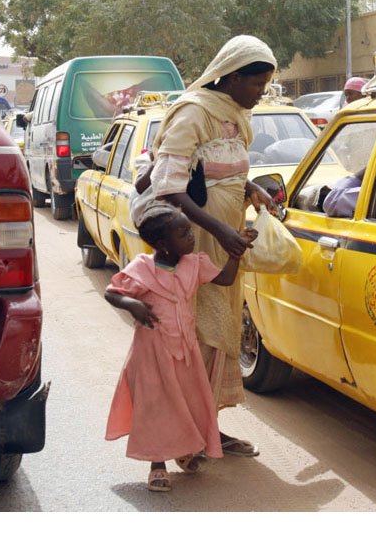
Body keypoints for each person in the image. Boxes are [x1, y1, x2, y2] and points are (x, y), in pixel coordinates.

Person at [147, 35, 278, 457]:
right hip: (197, 243)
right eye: (256, 84)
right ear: (233, 77)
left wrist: (250, 188)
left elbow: (220, 171)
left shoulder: (235, 116)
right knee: (195, 334)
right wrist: (219, 230)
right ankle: (182, 434)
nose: (261, 93)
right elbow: (168, 186)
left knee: (220, 333)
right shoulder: (194, 113)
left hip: (226, 242)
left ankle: (207, 428)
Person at [104, 202, 258, 492]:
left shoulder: (194, 264)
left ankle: (183, 450)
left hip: (185, 352)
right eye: (184, 233)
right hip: (152, 355)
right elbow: (112, 293)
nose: (191, 237)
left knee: (187, 403)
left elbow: (225, 279)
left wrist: (236, 253)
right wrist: (133, 304)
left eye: (189, 231)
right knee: (157, 407)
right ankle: (157, 464)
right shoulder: (142, 268)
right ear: (163, 245)